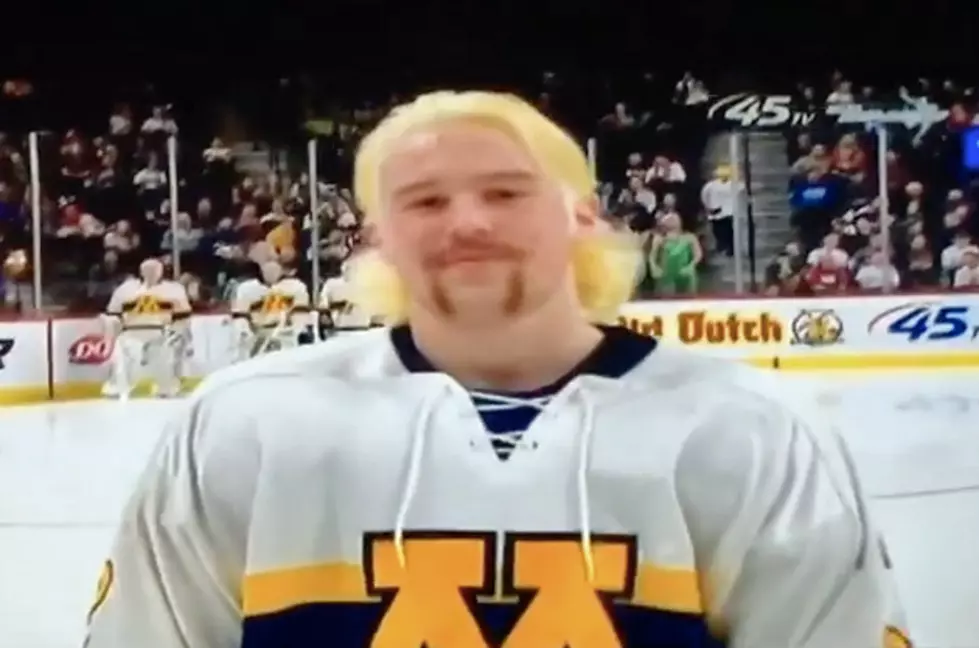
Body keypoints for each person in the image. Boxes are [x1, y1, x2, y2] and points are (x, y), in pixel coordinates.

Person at [84, 91, 910, 647]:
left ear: (583, 218)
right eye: (425, 201)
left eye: (507, 192)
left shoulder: (753, 432)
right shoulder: (240, 426)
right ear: (376, 238)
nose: (468, 222)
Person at [100, 257, 191, 399]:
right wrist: (113, 332)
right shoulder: (126, 289)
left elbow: (183, 315)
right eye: (147, 269)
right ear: (141, 271)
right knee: (122, 364)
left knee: (166, 364)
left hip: (161, 332)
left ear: (161, 271)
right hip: (130, 333)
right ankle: (117, 387)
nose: (152, 272)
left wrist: (176, 333)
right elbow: (113, 314)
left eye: (155, 269)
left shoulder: (174, 290)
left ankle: (167, 387)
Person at [230, 259, 313, 359]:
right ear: (261, 272)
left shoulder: (296, 287)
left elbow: (300, 314)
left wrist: (299, 331)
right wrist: (244, 332)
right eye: (268, 271)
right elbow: (240, 316)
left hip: (285, 334)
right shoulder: (246, 289)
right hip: (258, 334)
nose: (271, 274)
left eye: (274, 271)